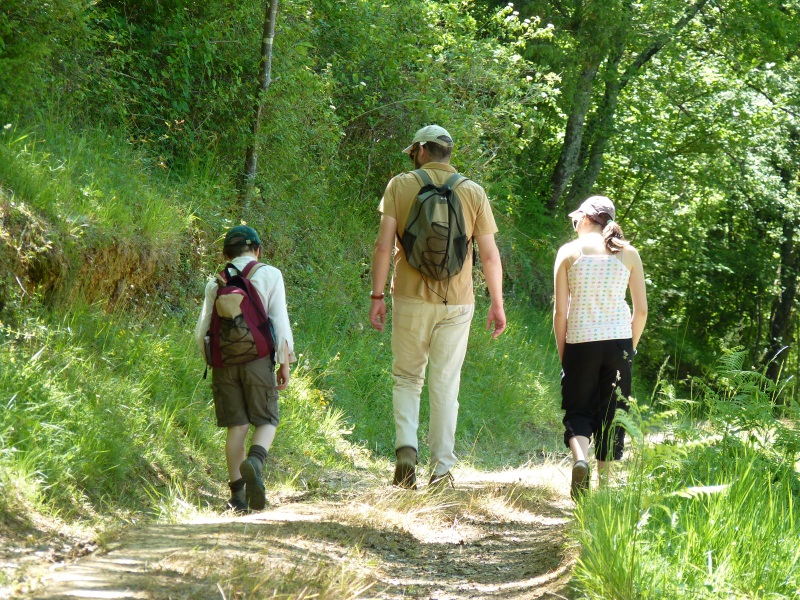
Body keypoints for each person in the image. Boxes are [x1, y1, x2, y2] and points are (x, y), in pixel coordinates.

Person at [369, 124, 506, 490]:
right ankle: (442, 471)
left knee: (407, 377)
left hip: (410, 297)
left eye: (414, 152)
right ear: (447, 153)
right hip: (458, 302)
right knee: (445, 384)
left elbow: (384, 247)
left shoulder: (400, 184)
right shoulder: (473, 191)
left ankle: (405, 452)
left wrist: (377, 296)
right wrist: (497, 302)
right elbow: (490, 256)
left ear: (422, 151)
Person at [194, 225, 295, 512]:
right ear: (258, 250)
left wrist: (212, 360)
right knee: (266, 420)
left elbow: (202, 330)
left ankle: (237, 497)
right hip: (257, 362)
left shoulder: (215, 282)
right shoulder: (270, 274)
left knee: (236, 427)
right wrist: (284, 362)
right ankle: (256, 461)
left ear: (225, 253)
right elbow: (280, 322)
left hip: (224, 363)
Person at [552, 196, 647, 501]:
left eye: (575, 219)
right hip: (618, 344)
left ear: (585, 219)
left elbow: (560, 313)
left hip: (580, 342)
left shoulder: (569, 252)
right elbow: (641, 311)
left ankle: (580, 460)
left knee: (578, 410)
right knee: (613, 413)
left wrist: (564, 353)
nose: (574, 224)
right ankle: (604, 492)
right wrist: (627, 351)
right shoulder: (629, 254)